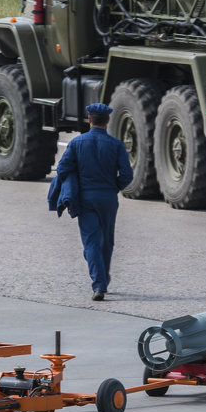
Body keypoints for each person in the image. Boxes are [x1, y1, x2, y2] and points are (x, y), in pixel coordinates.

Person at [47, 104, 133, 301]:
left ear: (89, 120)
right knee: (107, 241)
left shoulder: (77, 143)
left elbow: (62, 168)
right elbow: (127, 174)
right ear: (108, 120)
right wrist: (114, 187)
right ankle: (103, 278)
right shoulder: (116, 144)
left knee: (90, 242)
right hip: (108, 198)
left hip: (86, 198)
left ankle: (99, 284)